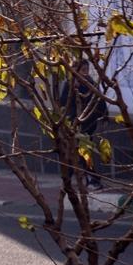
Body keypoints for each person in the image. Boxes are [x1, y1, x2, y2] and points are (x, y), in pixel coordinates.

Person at [58, 59, 108, 188]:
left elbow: (101, 101)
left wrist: (104, 116)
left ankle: (90, 178)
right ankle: (73, 179)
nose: (84, 73)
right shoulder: (69, 84)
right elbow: (62, 102)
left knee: (81, 150)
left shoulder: (90, 83)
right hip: (74, 122)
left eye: (86, 70)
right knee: (74, 150)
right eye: (82, 70)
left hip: (88, 122)